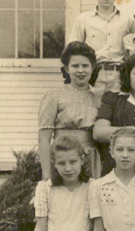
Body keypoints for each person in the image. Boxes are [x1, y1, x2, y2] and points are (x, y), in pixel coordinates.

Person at [38, 42, 102, 180]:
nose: (81, 70)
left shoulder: (99, 99)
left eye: (85, 66)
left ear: (92, 68)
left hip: (90, 161)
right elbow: (43, 139)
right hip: (63, 159)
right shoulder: (55, 96)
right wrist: (46, 175)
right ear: (67, 69)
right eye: (75, 66)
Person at [69, 0, 135, 97]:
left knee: (119, 109)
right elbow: (73, 53)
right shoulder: (83, 19)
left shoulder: (128, 20)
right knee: (91, 108)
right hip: (93, 77)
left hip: (120, 77)